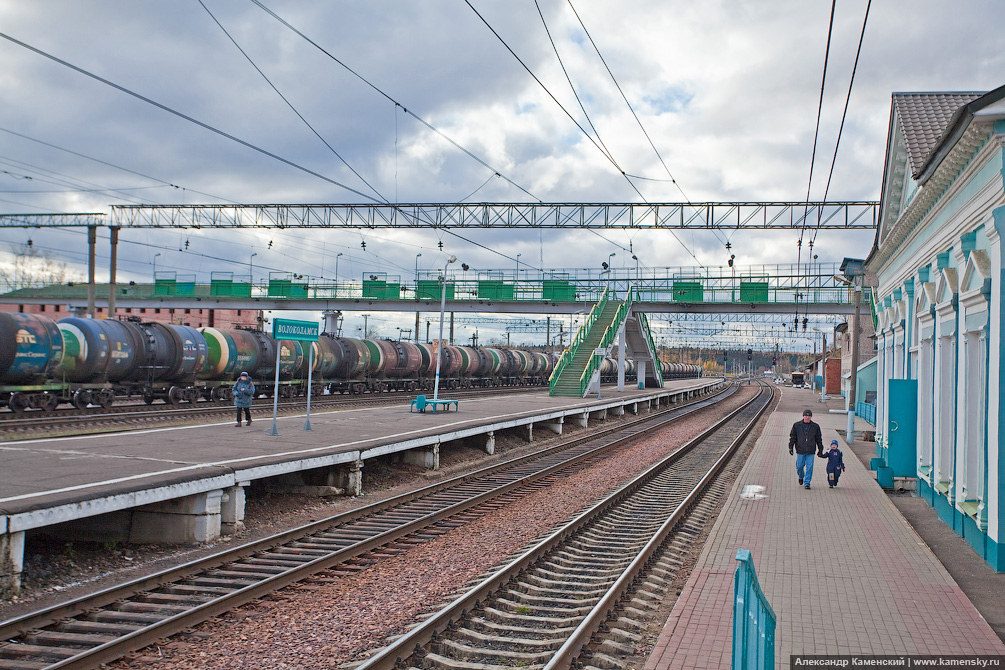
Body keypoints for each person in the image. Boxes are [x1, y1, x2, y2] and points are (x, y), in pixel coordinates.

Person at [789, 409, 823, 489]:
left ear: (811, 417)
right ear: (803, 416)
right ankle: (801, 476)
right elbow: (793, 437)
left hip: (810, 450)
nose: (807, 417)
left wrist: (820, 449)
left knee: (809, 467)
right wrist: (791, 447)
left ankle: (807, 482)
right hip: (800, 450)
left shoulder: (815, 426)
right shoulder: (797, 425)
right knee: (799, 466)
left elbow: (818, 439)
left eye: (809, 416)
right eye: (806, 416)